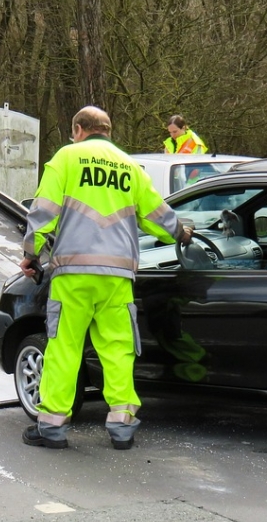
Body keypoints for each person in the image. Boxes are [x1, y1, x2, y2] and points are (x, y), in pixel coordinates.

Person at [20, 106, 193, 450]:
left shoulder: (67, 158)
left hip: (74, 273)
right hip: (117, 275)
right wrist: (182, 233)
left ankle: (52, 426)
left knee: (65, 347)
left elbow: (44, 212)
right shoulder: (130, 167)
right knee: (118, 349)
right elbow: (157, 215)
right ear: (108, 132)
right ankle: (121, 426)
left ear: (79, 130)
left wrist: (30, 253)